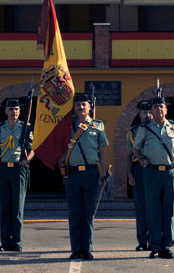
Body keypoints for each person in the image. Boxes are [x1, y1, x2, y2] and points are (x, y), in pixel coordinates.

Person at [132, 96, 174, 260]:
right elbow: (135, 148)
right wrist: (141, 159)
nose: (159, 110)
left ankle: (167, 246)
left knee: (169, 211)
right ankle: (155, 246)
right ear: (151, 111)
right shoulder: (145, 128)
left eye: (162, 107)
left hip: (169, 173)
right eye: (155, 107)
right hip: (151, 173)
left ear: (166, 110)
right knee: (153, 211)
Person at [60, 93, 109, 261]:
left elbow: (102, 150)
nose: (81, 107)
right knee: (74, 213)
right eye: (78, 105)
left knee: (88, 213)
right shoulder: (67, 126)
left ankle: (86, 248)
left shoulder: (98, 126)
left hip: (91, 173)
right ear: (74, 108)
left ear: (90, 107)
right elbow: (60, 149)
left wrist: (103, 172)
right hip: (72, 174)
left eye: (84, 105)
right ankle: (75, 249)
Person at [0, 97, 34, 252]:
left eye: (17, 109)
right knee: (5, 206)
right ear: (5, 111)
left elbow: (33, 148)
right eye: (11, 109)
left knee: (17, 207)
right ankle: (5, 241)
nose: (14, 111)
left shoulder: (26, 127)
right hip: (2, 169)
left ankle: (16, 241)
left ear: (20, 111)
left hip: (18, 169)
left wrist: (27, 160)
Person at [127, 100, 152, 251]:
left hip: (154, 168)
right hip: (139, 169)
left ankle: (155, 240)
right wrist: (129, 174)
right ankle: (142, 241)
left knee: (155, 207)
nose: (147, 115)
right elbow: (129, 155)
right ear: (139, 114)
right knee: (142, 207)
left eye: (149, 112)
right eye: (144, 112)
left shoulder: (158, 128)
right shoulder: (133, 131)